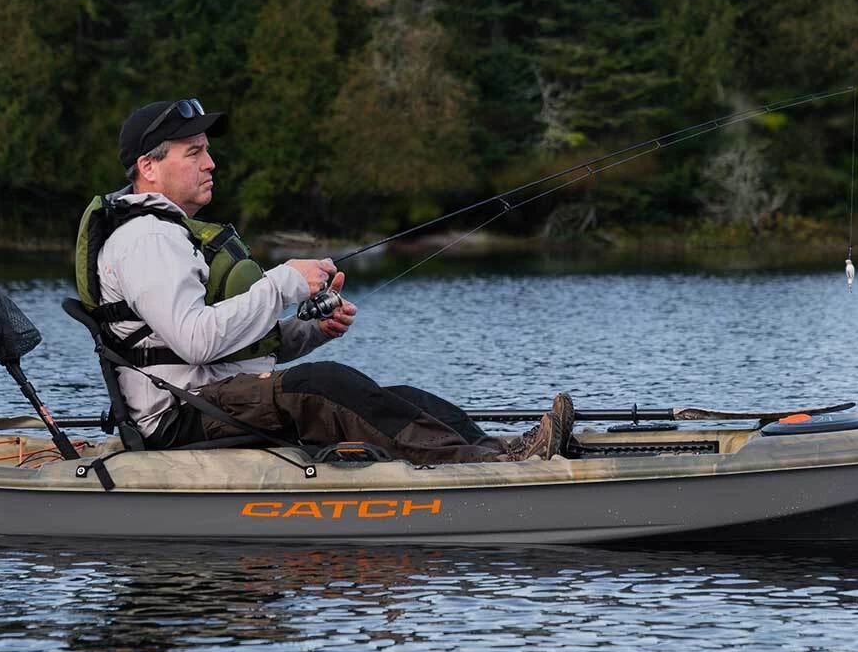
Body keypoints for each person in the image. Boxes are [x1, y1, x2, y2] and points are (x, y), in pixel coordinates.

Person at [91, 98, 575, 464]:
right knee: (324, 385)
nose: (210, 163)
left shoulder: (167, 233)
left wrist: (310, 331)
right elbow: (196, 341)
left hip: (211, 398)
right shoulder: (147, 239)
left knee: (397, 397)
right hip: (181, 417)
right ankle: (484, 468)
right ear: (148, 167)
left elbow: (222, 344)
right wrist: (284, 281)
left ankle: (504, 451)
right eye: (194, 153)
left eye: (208, 151)